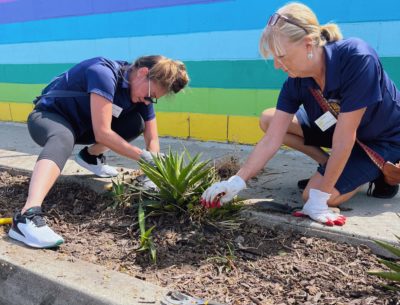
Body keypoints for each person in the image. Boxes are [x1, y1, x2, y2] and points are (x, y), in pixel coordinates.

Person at [201, 2, 400, 226]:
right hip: (337, 127)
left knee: (312, 196)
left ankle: (380, 172)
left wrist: (320, 198)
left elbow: (345, 137)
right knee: (269, 119)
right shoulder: (296, 82)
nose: (277, 65)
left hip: (380, 139)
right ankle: (332, 166)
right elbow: (272, 139)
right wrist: (237, 181)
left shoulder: (357, 58)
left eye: (282, 56)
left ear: (308, 45)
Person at [9, 55, 189, 248]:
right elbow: (103, 133)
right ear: (143, 73)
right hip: (48, 118)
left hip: (83, 129)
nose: (148, 102)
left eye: (153, 99)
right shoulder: (103, 73)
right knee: (63, 138)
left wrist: (151, 173)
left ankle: (90, 157)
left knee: (135, 124)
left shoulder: (141, 94)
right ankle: (26, 217)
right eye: (149, 95)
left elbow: (152, 138)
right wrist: (144, 157)